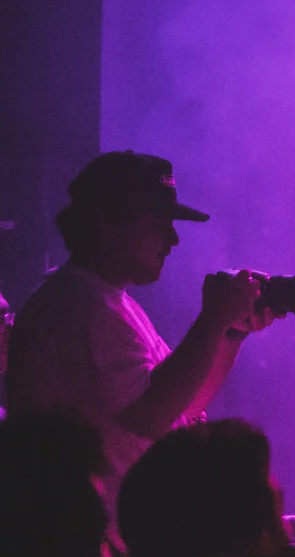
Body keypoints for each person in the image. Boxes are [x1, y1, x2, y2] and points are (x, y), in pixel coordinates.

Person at [4, 152, 273, 492]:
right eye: (159, 227)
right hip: (82, 538)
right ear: (106, 223)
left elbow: (183, 402)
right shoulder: (81, 303)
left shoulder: (112, 301)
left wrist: (230, 330)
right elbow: (151, 416)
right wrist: (213, 319)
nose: (173, 240)